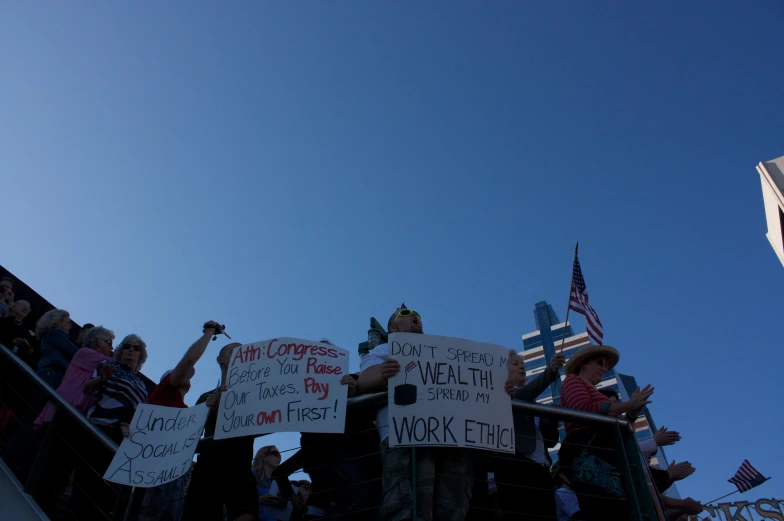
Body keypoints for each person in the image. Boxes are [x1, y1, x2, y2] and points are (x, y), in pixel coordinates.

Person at [358, 303, 472, 521]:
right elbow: (364, 380)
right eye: (406, 313)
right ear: (393, 329)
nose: (414, 315)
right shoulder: (383, 350)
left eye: (417, 314)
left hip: (449, 436)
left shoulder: (443, 351)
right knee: (406, 507)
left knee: (453, 506)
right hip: (402, 436)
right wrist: (382, 374)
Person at [556, 344, 654, 520]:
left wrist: (631, 415)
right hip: (586, 452)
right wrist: (626, 405)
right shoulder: (572, 380)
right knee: (599, 508)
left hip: (607, 458)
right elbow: (583, 408)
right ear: (583, 364)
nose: (604, 368)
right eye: (600, 363)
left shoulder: (596, 391)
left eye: (606, 366)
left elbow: (621, 429)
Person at [138, 320, 224, 521]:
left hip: (176, 476)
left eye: (189, 375)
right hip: (154, 470)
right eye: (183, 373)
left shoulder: (186, 411)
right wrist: (208, 333)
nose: (187, 374)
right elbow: (188, 361)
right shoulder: (163, 394)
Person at [31, 326, 114, 514]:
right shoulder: (85, 353)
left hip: (76, 421)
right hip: (62, 415)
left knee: (62, 471)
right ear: (98, 343)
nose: (112, 347)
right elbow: (111, 365)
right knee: (50, 469)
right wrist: (127, 358)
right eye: (109, 343)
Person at [181, 342, 257, 521]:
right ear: (220, 360)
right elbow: (190, 434)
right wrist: (208, 410)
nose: (241, 353)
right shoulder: (206, 398)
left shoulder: (256, 396)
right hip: (208, 471)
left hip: (241, 468)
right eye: (235, 350)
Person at [493, 349, 565, 520]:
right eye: (515, 364)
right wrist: (550, 372)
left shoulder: (534, 402)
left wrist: (551, 419)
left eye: (523, 364)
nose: (521, 367)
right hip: (516, 467)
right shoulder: (500, 393)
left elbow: (550, 441)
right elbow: (523, 395)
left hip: (541, 469)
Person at [84, 333, 149, 443]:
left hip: (127, 437)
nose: (131, 350)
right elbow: (86, 389)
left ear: (140, 355)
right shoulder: (108, 365)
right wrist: (101, 379)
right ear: (121, 351)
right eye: (127, 346)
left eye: (136, 348)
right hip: (101, 426)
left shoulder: (141, 383)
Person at [36, 309, 78, 389]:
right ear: (58, 322)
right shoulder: (56, 333)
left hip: (51, 372)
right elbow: (75, 352)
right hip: (53, 372)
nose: (70, 326)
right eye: (68, 322)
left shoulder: (51, 335)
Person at [253, 445, 289, 521]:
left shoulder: (279, 482)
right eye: (275, 453)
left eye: (280, 455)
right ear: (264, 456)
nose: (279, 457)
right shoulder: (252, 475)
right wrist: (260, 500)